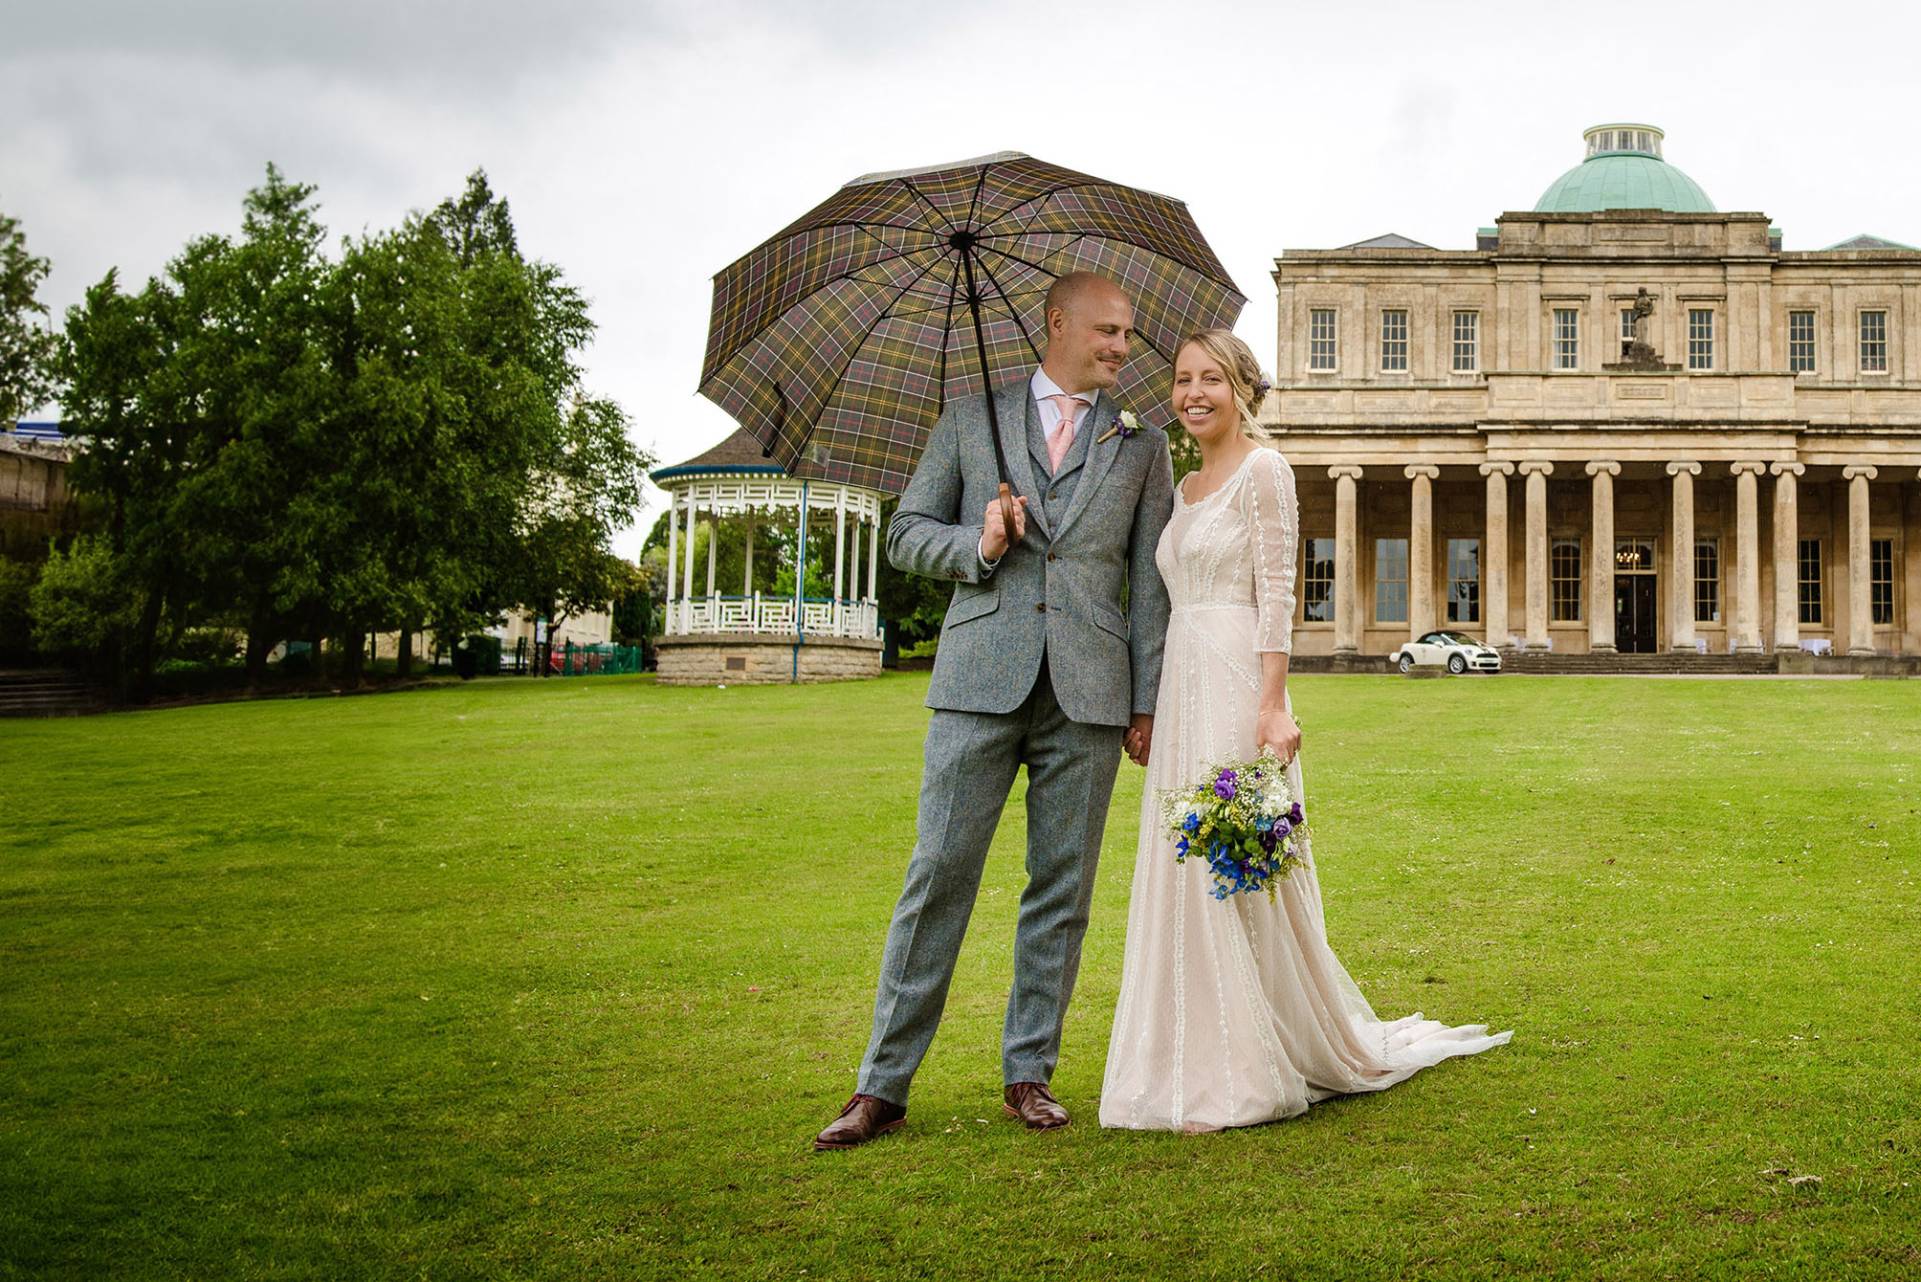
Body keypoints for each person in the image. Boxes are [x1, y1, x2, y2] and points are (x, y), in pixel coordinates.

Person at [1099, 329, 1512, 1133]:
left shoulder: (1265, 470)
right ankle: (1186, 1058)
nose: (1193, 394)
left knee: (1233, 857)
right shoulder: (1183, 487)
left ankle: (1248, 1065)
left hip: (1234, 682)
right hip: (1181, 682)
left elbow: (1277, 594)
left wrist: (1271, 705)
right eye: (1182, 380)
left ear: (1242, 389)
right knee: (1183, 862)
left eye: (1211, 379)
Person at [815, 272, 1175, 1150]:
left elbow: (1150, 585)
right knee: (938, 873)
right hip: (977, 682)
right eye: (1107, 330)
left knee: (1061, 888)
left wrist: (1145, 702)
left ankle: (1029, 1073)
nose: (1121, 347)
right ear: (1057, 324)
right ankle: (881, 1084)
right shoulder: (968, 419)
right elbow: (904, 533)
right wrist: (976, 542)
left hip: (1088, 695)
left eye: (1127, 333)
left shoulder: (1142, 444)